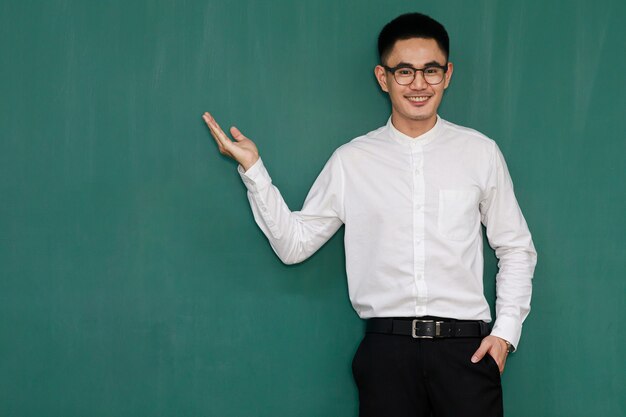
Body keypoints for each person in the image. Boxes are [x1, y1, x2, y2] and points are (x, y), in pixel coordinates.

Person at [203, 12, 536, 417]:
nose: (418, 84)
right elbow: (294, 245)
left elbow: (515, 247)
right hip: (386, 355)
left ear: (447, 74)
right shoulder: (352, 161)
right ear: (383, 77)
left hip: (466, 353)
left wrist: (504, 335)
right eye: (404, 71)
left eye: (430, 70)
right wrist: (254, 169)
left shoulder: (480, 153)